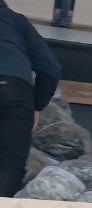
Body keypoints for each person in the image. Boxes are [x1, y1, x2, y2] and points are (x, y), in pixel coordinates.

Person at [0, 0, 61, 197]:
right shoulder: (16, 21)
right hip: (15, 92)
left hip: (15, 90)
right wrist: (37, 105)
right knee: (10, 166)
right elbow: (51, 68)